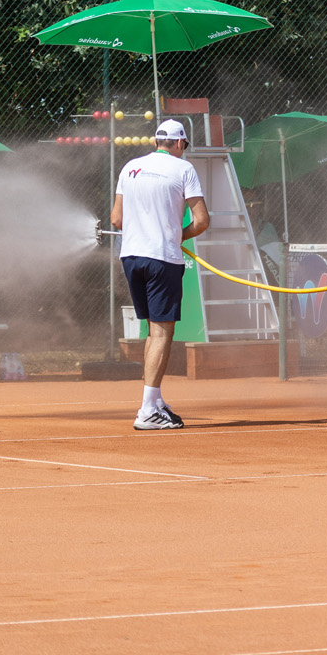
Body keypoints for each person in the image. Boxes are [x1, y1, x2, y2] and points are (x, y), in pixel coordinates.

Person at [111, 119, 210, 430]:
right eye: (184, 145)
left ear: (156, 142)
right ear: (179, 143)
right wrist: (177, 236)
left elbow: (116, 219)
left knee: (153, 331)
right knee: (162, 333)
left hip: (131, 257)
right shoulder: (184, 169)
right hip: (162, 258)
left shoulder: (130, 167)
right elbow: (202, 221)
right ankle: (146, 411)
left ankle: (153, 402)